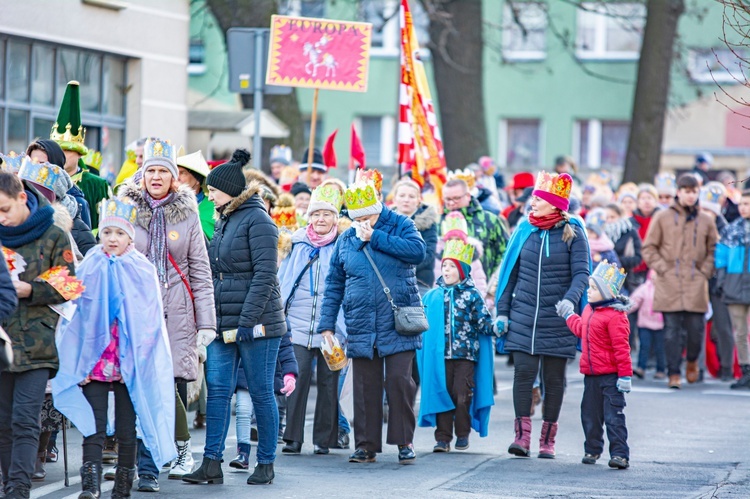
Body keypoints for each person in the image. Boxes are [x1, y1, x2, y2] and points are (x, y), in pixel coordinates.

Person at [52, 198, 177, 499]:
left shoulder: (142, 269)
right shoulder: (90, 263)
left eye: (119, 233)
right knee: (92, 426)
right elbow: (73, 310)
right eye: (107, 232)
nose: (112, 239)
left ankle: (123, 486)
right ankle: (90, 485)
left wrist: (142, 360)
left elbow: (150, 320)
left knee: (126, 428)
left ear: (130, 237)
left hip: (129, 362)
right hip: (95, 361)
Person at [183, 149, 287, 486]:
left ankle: (266, 462)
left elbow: (265, 275)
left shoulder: (258, 220)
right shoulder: (225, 217)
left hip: (258, 323)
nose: (208, 194)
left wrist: (247, 322)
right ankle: (211, 462)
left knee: (260, 392)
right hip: (223, 322)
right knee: (217, 392)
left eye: (212, 190)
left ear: (229, 189)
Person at [120, 138, 216, 489]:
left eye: (163, 171)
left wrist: (206, 323)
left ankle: (180, 448)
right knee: (134, 384)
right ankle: (134, 458)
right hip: (136, 307)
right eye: (151, 170)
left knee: (170, 384)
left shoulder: (188, 212)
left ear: (175, 177)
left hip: (176, 309)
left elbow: (200, 271)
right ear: (142, 174)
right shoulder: (126, 207)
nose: (156, 177)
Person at [317, 180, 426, 465]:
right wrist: (327, 325)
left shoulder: (400, 224)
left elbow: (417, 252)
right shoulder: (346, 238)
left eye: (368, 218)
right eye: (357, 219)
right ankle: (366, 445)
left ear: (378, 211)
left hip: (398, 320)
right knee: (365, 385)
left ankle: (404, 441)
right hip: (361, 320)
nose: (362, 223)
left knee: (400, 381)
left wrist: (375, 237)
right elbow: (334, 285)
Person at [496, 171, 589, 459]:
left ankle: (547, 440)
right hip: (523, 316)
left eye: (538, 199)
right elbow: (509, 273)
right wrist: (502, 312)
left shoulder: (574, 232)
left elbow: (582, 274)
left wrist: (569, 302)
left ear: (554, 204)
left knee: (554, 379)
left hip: (557, 318)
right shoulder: (524, 230)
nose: (532, 203)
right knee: (523, 374)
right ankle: (521, 438)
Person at [0, 171, 73, 499]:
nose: (2, 218)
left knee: (25, 420)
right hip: (2, 338)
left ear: (21, 198)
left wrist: (32, 288)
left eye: (5, 209)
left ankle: (18, 489)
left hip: (37, 341)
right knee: (2, 422)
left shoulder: (52, 234)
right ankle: (9, 482)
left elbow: (69, 285)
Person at [278, 183, 345, 456]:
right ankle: (292, 437)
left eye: (327, 214)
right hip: (298, 325)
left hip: (331, 327)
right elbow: (283, 282)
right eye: (316, 214)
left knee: (329, 383)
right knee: (296, 378)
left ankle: (324, 439)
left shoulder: (342, 247)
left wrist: (342, 327)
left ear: (335, 218)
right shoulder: (296, 243)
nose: (320, 219)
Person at [417, 236, 494, 453]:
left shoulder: (472, 296)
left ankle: (462, 433)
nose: (447, 270)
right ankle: (442, 438)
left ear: (462, 270)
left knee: (462, 395)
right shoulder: (433, 296)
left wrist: (496, 327)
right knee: (442, 393)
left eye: (452, 266)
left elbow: (483, 323)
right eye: (444, 266)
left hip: (465, 355)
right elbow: (423, 324)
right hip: (440, 357)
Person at [642, 173, 718, 389]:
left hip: (696, 282)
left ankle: (692, 361)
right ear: (679, 192)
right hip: (670, 282)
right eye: (686, 191)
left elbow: (714, 248)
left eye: (694, 191)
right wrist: (663, 268)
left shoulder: (706, 220)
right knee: (671, 332)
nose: (691, 196)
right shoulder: (663, 217)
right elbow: (649, 247)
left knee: (696, 330)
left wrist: (705, 271)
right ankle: (673, 372)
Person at [559, 260, 632, 470]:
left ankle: (620, 454)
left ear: (607, 291)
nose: (588, 292)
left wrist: (625, 376)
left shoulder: (616, 317)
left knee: (613, 417)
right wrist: (568, 315)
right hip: (591, 375)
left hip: (611, 377)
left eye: (593, 288)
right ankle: (592, 448)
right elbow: (582, 330)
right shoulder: (589, 311)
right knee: (589, 414)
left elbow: (621, 348)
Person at [51, 81, 110, 229]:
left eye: (67, 150)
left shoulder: (97, 184)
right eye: (57, 149)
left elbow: (106, 223)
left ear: (79, 153)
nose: (61, 155)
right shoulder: (44, 178)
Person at [716, 189, 750, 389]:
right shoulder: (731, 230)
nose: (744, 208)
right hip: (734, 286)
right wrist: (722, 282)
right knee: (740, 331)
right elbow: (720, 259)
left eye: (748, 204)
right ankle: (745, 370)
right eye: (742, 204)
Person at [442, 178, 508, 279]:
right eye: (448, 199)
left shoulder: (489, 220)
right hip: (445, 288)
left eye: (456, 198)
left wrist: (494, 281)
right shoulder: (439, 221)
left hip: (483, 286)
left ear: (468, 196)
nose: (451, 203)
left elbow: (505, 251)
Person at [700, 182, 733, 381]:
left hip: (719, 286)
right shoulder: (696, 226)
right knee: (697, 327)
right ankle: (700, 367)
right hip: (699, 283)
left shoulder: (726, 230)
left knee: (723, 328)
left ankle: (727, 368)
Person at [392, 179, 438, 294]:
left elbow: (428, 253)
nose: (406, 200)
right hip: (389, 281)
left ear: (418, 200)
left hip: (419, 281)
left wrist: (404, 270)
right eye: (402, 195)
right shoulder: (384, 221)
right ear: (394, 199)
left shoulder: (428, 223)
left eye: (411, 196)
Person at [629, 270, 666, 380]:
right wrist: (624, 310)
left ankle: (661, 369)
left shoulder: (664, 289)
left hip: (660, 324)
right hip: (645, 323)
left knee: (660, 348)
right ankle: (641, 368)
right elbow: (634, 301)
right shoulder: (644, 288)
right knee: (644, 346)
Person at [176, 150, 215, 241]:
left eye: (182, 173)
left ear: (197, 180)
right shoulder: (167, 203)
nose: (177, 177)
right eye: (175, 173)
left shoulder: (213, 208)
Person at [603, 203, 642, 291]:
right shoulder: (600, 233)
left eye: (612, 217)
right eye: (606, 217)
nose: (609, 220)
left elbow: (638, 258)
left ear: (620, 216)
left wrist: (614, 261)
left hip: (625, 278)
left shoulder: (630, 231)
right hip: (603, 278)